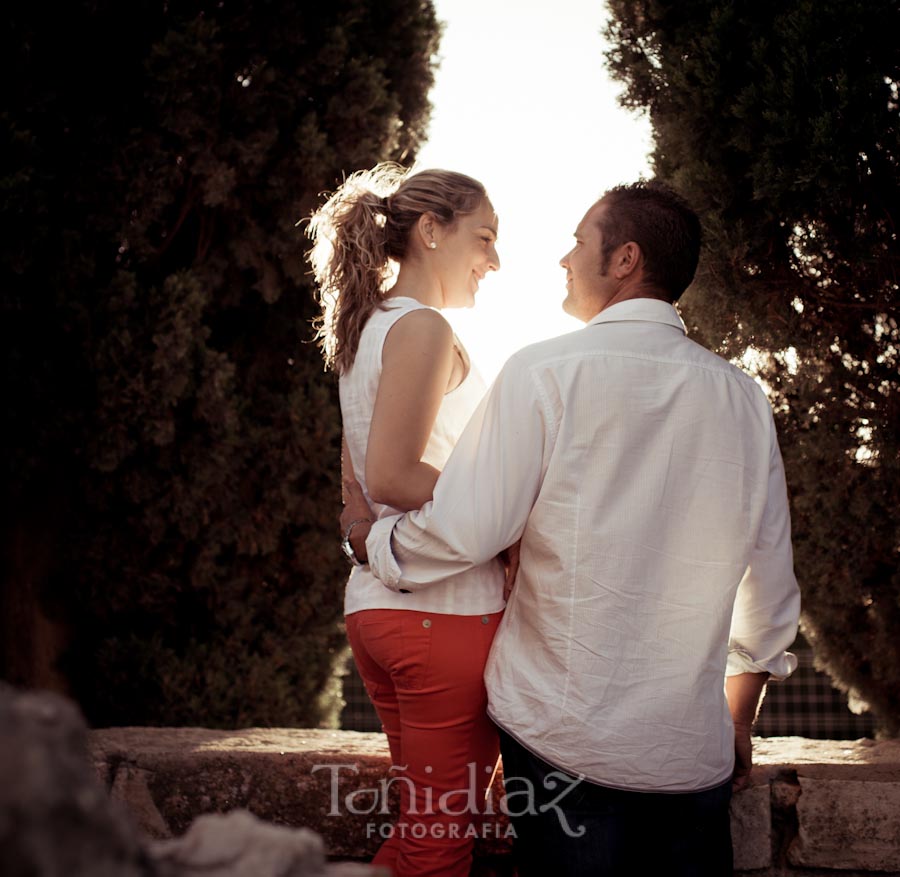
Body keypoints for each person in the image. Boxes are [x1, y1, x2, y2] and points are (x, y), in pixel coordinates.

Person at [342, 180, 801, 876]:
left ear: (624, 260)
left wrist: (371, 539)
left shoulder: (542, 371)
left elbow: (466, 528)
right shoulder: (743, 397)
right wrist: (737, 720)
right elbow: (768, 583)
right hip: (691, 758)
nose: (562, 258)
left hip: (559, 746)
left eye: (580, 241)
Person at [307, 163, 509, 877]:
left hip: (379, 611)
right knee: (440, 840)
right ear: (431, 231)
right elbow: (391, 474)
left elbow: (354, 481)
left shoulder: (366, 329)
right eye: (483, 237)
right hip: (442, 617)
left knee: (427, 827)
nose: (494, 260)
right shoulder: (421, 326)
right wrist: (508, 513)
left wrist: (355, 527)